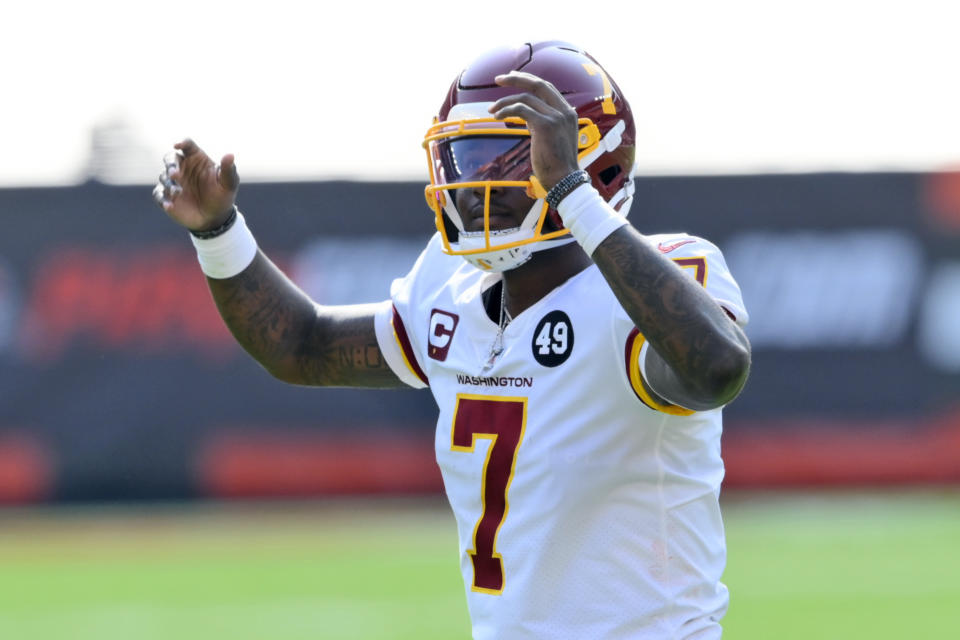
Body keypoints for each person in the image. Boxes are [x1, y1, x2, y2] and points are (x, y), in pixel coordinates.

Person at [154, 40, 751, 640]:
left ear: (594, 165)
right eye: (463, 156)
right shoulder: (451, 286)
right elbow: (301, 345)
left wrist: (573, 197)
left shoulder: (664, 275)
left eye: (506, 156)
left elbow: (717, 367)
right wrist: (219, 233)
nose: (471, 182)